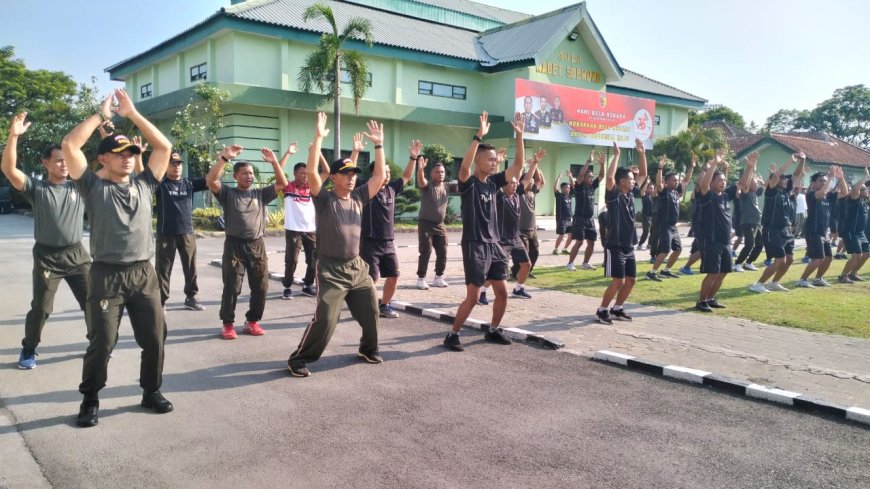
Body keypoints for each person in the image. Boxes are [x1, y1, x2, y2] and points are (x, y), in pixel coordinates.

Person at [62, 89, 173, 427]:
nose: (128, 158)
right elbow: (69, 146)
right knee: (103, 341)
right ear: (103, 159)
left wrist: (134, 113)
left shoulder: (145, 184)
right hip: (107, 276)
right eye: (120, 153)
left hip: (143, 274)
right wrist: (101, 115)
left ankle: (150, 390)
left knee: (155, 337)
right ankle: (90, 398)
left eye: (131, 153)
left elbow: (164, 147)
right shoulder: (92, 188)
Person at [287, 114, 386, 377]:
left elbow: (379, 177)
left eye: (354, 173)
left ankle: (368, 348)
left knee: (372, 311)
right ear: (334, 178)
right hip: (331, 269)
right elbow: (310, 173)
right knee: (327, 319)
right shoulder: (324, 199)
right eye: (346, 174)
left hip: (357, 267)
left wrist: (379, 145)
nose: (352, 178)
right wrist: (318, 138)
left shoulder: (359, 197)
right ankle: (299, 359)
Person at [1, 112, 90, 370]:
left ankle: (98, 343)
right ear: (46, 164)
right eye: (58, 161)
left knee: (92, 303)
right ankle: (28, 349)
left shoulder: (81, 186)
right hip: (47, 256)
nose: (64, 165)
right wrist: (13, 136)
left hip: (77, 255)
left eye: (66, 161)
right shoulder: (37, 189)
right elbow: (8, 169)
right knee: (40, 308)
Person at [443, 111, 525, 352]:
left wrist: (519, 136)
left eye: (495, 160)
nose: (494, 162)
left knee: (502, 292)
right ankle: (452, 334)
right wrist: (478, 136)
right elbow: (464, 167)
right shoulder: (468, 184)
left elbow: (518, 166)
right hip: (475, 244)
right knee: (473, 296)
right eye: (490, 159)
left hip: (495, 245)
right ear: (479, 160)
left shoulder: (493, 183)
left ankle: (492, 330)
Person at [207, 144, 288, 339]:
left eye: (251, 173)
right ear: (235, 176)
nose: (249, 176)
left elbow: (282, 183)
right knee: (232, 286)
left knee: (261, 286)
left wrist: (274, 161)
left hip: (257, 245)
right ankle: (227, 324)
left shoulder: (260, 194)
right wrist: (225, 158)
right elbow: (211, 180)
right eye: (244, 173)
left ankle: (252, 322)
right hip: (234, 246)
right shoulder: (228, 194)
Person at [360, 139, 416, 318]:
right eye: (385, 171)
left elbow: (406, 177)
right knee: (372, 279)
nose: (389, 174)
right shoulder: (367, 190)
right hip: (370, 241)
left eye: (390, 172)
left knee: (393, 276)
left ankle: (384, 305)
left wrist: (413, 158)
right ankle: (365, 305)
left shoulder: (391, 189)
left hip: (388, 242)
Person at [596, 139, 648, 324]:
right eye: (631, 179)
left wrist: (641, 153)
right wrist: (616, 155)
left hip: (628, 245)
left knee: (631, 280)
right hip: (615, 245)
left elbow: (643, 175)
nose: (634, 182)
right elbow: (610, 178)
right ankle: (602, 310)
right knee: (619, 281)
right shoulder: (614, 196)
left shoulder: (630, 195)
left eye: (634, 180)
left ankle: (617, 308)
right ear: (622, 181)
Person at [695, 151, 751, 312]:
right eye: (720, 180)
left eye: (724, 180)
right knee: (712, 273)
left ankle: (710, 299)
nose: (723, 182)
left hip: (725, 241)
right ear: (712, 182)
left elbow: (742, 184)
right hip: (711, 241)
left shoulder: (725, 196)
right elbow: (704, 185)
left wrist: (750, 166)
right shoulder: (707, 196)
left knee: (723, 272)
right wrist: (714, 164)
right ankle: (701, 301)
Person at [154, 151, 209, 311]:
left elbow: (211, 179)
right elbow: (143, 175)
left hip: (187, 232)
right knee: (163, 269)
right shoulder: (160, 184)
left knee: (191, 267)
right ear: (166, 166)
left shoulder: (189, 184)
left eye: (178, 163)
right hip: (166, 233)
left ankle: (191, 298)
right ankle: (161, 301)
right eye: (172, 163)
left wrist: (223, 160)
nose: (176, 166)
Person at [749, 152, 807, 293]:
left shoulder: (786, 193)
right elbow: (775, 176)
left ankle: (775, 282)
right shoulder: (771, 192)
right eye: (783, 179)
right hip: (772, 230)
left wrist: (802, 161)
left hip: (785, 230)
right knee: (780, 260)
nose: (785, 180)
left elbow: (796, 175)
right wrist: (789, 161)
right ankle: (758, 284)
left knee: (790, 259)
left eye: (785, 179)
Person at [281, 142, 328, 300]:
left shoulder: (312, 187)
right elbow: (279, 171)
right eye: (302, 173)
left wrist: (317, 152)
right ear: (295, 174)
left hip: (311, 229)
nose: (306, 176)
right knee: (292, 260)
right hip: (293, 229)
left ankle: (307, 285)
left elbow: (326, 171)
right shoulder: (287, 187)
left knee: (314, 260)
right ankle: (287, 286)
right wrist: (288, 153)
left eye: (307, 173)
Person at [796, 166, 847, 287]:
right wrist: (830, 177)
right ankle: (802, 280)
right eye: (821, 181)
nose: (824, 182)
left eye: (825, 181)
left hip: (824, 232)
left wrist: (841, 178)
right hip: (813, 231)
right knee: (819, 258)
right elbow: (823, 191)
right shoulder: (811, 194)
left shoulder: (829, 197)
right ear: (813, 183)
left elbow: (845, 193)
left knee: (828, 258)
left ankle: (818, 278)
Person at [647, 155, 694, 281]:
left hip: (673, 227)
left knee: (678, 250)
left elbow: (686, 181)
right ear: (666, 182)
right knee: (665, 251)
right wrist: (660, 167)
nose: (677, 182)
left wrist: (692, 167)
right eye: (674, 180)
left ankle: (666, 270)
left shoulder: (675, 193)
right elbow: (658, 183)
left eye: (677, 180)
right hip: (664, 226)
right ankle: (652, 272)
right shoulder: (664, 192)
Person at [415, 151, 458, 290]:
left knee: (443, 251)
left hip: (440, 225)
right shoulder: (428, 186)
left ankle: (438, 277)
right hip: (425, 224)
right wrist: (420, 169)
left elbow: (463, 181)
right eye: (438, 172)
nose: (441, 174)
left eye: (443, 172)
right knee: (426, 251)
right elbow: (421, 181)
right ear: (432, 174)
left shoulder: (447, 186)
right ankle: (421, 278)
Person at [567, 151, 606, 271]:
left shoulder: (592, 187)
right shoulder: (579, 187)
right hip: (579, 219)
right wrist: (588, 162)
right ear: (583, 178)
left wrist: (602, 164)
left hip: (590, 220)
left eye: (591, 176)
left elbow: (601, 176)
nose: (591, 178)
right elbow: (579, 175)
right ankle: (570, 263)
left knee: (591, 242)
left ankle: (585, 263)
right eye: (589, 176)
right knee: (579, 242)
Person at [512, 150, 546, 280]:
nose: (531, 182)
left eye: (532, 181)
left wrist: (536, 166)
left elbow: (541, 181)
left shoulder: (532, 192)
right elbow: (527, 179)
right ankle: (516, 271)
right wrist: (533, 165)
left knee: (535, 252)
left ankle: (527, 271)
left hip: (532, 229)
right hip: (521, 230)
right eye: (529, 181)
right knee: (523, 253)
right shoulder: (518, 193)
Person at [733, 154, 765, 272]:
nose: (756, 184)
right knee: (749, 244)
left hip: (756, 222)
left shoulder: (754, 193)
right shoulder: (745, 193)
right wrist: (750, 168)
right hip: (748, 222)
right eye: (754, 183)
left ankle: (749, 263)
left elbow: (763, 185)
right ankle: (737, 264)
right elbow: (744, 183)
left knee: (760, 244)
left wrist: (754, 169)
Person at [838, 168, 869, 283]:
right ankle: (843, 276)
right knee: (857, 255)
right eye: (864, 189)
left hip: (860, 233)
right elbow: (855, 188)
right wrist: (865, 176)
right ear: (858, 191)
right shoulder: (853, 199)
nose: (866, 191)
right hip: (851, 232)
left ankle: (853, 273)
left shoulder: (863, 201)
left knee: (866, 254)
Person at [552, 172, 574, 254]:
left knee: (571, 235)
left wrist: (571, 176)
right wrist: (559, 177)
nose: (568, 189)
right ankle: (555, 249)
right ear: (562, 189)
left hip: (569, 220)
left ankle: (565, 249)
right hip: (561, 220)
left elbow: (573, 185)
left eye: (568, 188)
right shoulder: (559, 196)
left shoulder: (570, 195)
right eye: (566, 188)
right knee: (561, 235)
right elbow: (554, 187)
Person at [637, 180, 654, 250]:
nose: (652, 189)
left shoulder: (653, 196)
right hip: (645, 216)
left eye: (653, 188)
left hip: (652, 217)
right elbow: (641, 192)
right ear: (647, 189)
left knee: (653, 232)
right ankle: (640, 244)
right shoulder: (645, 196)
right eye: (650, 188)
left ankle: (649, 244)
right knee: (646, 232)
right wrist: (646, 183)